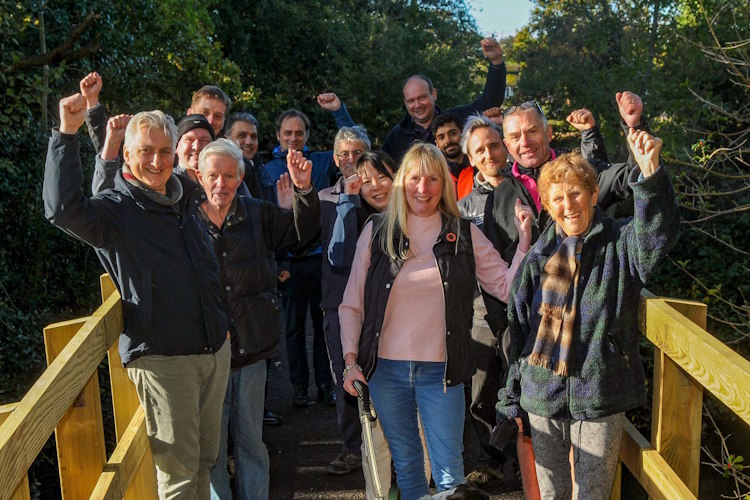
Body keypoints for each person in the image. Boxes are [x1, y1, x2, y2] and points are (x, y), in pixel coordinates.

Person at [44, 94, 231, 498]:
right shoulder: (116, 210)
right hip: (164, 360)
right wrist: (67, 134)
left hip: (213, 351)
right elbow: (62, 209)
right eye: (146, 151)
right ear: (126, 155)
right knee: (179, 476)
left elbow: (206, 271)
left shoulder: (186, 197)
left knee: (204, 460)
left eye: (165, 151)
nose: (157, 161)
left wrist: (223, 331)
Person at [339, 143, 533, 499]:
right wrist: (351, 362)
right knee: (409, 466)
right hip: (386, 372)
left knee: (449, 474)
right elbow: (352, 304)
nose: (423, 188)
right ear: (402, 182)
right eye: (414, 178)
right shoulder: (377, 231)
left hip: (442, 373)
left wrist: (523, 244)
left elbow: (506, 288)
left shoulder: (463, 233)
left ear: (444, 183)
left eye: (432, 179)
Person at [497, 130, 679, 499]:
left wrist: (650, 176)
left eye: (577, 192)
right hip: (542, 393)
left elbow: (657, 234)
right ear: (547, 206)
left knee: (592, 495)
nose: (569, 205)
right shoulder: (537, 258)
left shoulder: (620, 244)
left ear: (594, 196)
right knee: (553, 494)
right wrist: (512, 394)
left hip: (599, 392)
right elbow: (518, 332)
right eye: (558, 198)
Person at [196, 139, 321, 500]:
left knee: (250, 439)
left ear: (240, 177)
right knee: (213, 446)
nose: (222, 184)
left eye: (230, 176)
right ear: (200, 177)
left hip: (250, 348)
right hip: (206, 351)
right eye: (214, 176)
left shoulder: (258, 213)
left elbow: (302, 233)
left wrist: (303, 190)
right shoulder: (185, 220)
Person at [261, 94, 355, 408]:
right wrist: (278, 264)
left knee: (322, 327)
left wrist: (339, 112)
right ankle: (299, 389)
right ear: (278, 135)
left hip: (320, 261)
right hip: (289, 263)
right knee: (292, 330)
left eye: (299, 132)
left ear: (307, 135)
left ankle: (326, 386)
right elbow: (267, 221)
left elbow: (354, 146)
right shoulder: (268, 169)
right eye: (287, 132)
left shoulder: (323, 161)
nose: (293, 137)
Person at [318, 126, 370, 475]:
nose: (350, 159)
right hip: (337, 302)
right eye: (344, 154)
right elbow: (336, 254)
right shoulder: (323, 198)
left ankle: (387, 446)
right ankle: (352, 448)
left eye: (357, 153)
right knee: (344, 376)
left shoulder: (381, 193)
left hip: (377, 301)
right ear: (335, 158)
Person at [382, 37, 506, 163]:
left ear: (434, 94)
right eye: (411, 101)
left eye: (422, 98)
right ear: (405, 103)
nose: (417, 105)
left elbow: (490, 101)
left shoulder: (458, 119)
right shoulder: (395, 138)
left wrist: (496, 63)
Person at [431, 112, 474, 199]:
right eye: (441, 137)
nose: (448, 141)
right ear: (437, 144)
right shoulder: (434, 174)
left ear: (463, 134)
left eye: (453, 134)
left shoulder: (479, 166)